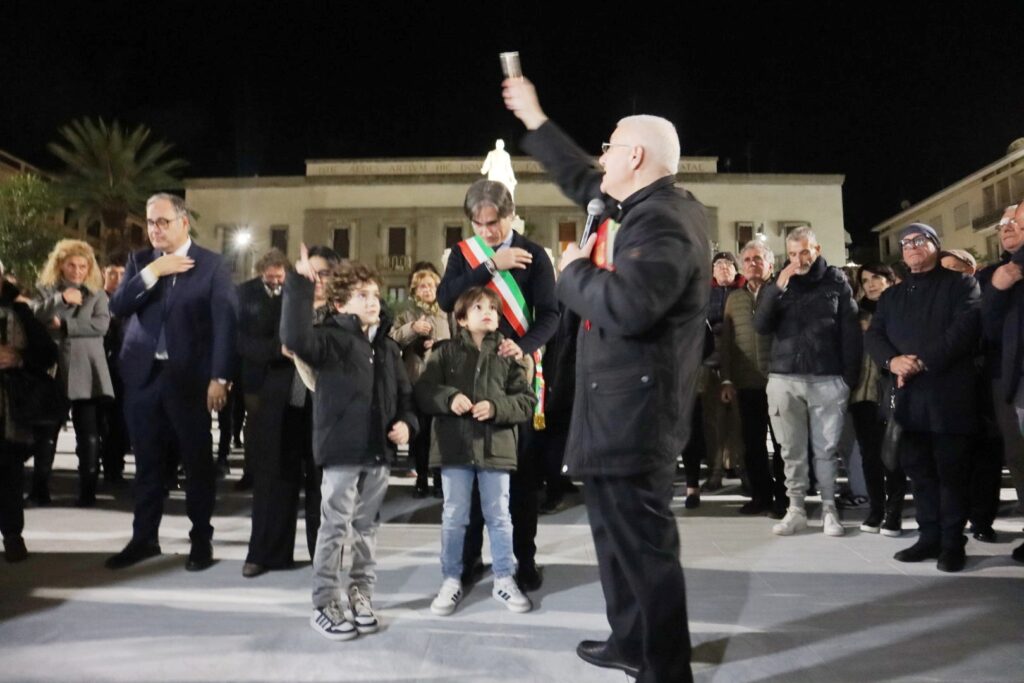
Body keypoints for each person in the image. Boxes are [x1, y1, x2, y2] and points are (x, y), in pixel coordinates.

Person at [504, 77, 707, 683]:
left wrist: (570, 273)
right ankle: (629, 641)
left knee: (644, 552)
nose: (601, 157)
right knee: (615, 544)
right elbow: (579, 178)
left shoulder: (664, 223)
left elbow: (629, 306)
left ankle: (665, 668)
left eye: (611, 146)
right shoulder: (637, 207)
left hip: (635, 419)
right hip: (615, 413)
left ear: (636, 157)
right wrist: (537, 120)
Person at [281, 250, 416, 641]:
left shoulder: (389, 348)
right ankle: (325, 601)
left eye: (374, 294)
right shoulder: (329, 340)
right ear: (339, 303)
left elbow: (405, 397)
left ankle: (361, 593)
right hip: (340, 450)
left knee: (367, 528)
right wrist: (300, 285)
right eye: (361, 295)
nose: (372, 300)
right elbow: (293, 337)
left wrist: (407, 425)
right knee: (334, 526)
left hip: (378, 453)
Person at [105, 193, 238, 571]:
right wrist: (153, 273)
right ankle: (144, 539)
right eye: (150, 223)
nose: (154, 229)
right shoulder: (140, 262)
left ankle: (200, 541)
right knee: (146, 464)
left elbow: (225, 325)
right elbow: (117, 307)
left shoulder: (212, 265)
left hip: (190, 380)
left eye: (162, 221)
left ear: (184, 223)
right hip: (143, 379)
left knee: (197, 463)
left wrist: (220, 377)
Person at [437, 178, 557, 591]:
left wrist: (523, 347)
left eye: (495, 222)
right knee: (470, 475)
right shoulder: (463, 255)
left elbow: (551, 315)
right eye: (479, 223)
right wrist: (491, 265)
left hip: (514, 377)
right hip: (468, 375)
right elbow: (444, 298)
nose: (487, 231)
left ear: (510, 214)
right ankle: (469, 559)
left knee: (521, 478)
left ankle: (524, 560)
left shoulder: (536, 255)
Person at [865, 223, 981, 572]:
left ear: (935, 245)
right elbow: (875, 336)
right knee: (919, 472)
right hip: (907, 398)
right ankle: (928, 537)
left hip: (948, 394)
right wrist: (892, 361)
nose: (912, 246)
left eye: (919, 240)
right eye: (905, 243)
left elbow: (963, 331)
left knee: (951, 473)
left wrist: (918, 362)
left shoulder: (960, 285)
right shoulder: (892, 296)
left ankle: (952, 543)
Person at [416, 286, 536, 615]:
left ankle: (504, 578)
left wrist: (497, 408)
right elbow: (424, 391)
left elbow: (526, 401)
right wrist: (448, 398)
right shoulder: (443, 353)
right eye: (478, 307)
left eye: (493, 309)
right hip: (454, 448)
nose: (487, 312)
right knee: (454, 516)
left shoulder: (509, 355)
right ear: (461, 319)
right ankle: (451, 578)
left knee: (499, 515)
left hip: (495, 449)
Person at [753, 227, 861, 537]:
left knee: (826, 451)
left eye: (804, 252)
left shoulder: (837, 281)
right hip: (784, 377)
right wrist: (777, 289)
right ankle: (795, 508)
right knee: (790, 450)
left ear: (817, 249)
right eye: (792, 254)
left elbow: (850, 331)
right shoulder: (779, 283)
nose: (798, 259)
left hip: (827, 378)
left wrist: (847, 379)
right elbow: (761, 326)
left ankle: (829, 508)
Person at [239, 248, 319, 578]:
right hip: (278, 398)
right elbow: (242, 341)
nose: (316, 280)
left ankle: (325, 557)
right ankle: (266, 553)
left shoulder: (349, 305)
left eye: (321, 274)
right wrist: (278, 348)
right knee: (273, 479)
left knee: (321, 485)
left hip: (322, 406)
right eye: (308, 274)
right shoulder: (274, 301)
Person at [31, 239, 114, 507]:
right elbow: (34, 316)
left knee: (88, 432)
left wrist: (64, 324)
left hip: (87, 370)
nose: (77, 271)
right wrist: (61, 299)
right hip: (53, 369)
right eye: (71, 265)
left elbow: (101, 325)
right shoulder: (46, 291)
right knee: (47, 433)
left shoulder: (98, 293)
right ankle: (39, 489)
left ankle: (88, 491)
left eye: (82, 266)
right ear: (60, 265)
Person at [720, 240, 786, 516]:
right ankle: (761, 495)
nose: (752, 264)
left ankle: (784, 499)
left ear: (770, 264)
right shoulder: (734, 298)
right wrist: (726, 379)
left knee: (784, 445)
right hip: (747, 383)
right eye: (747, 260)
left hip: (781, 380)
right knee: (753, 444)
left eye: (758, 259)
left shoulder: (782, 292)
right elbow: (727, 341)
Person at [0, 260, 59, 561]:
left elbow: (49, 353)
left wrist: (19, 358)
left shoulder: (21, 312)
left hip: (11, 407)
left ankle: (12, 535)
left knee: (9, 472)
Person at [979, 208, 1024, 563]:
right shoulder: (992, 275)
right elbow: (985, 328)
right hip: (1009, 381)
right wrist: (997, 287)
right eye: (1003, 226)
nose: (1007, 229)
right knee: (1019, 458)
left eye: (1015, 223)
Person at [849, 263, 906, 536]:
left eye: (876, 278)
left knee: (892, 454)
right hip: (861, 393)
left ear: (890, 280)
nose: (871, 284)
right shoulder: (853, 313)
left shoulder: (900, 309)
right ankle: (876, 509)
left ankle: (894, 512)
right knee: (869, 455)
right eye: (866, 280)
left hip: (892, 391)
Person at [391, 266, 451, 497]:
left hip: (441, 381)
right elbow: (393, 340)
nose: (428, 290)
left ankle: (438, 480)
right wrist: (412, 330)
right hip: (416, 379)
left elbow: (456, 341)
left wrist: (438, 344)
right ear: (415, 290)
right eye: (423, 286)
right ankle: (421, 479)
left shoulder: (446, 312)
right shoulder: (406, 313)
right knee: (421, 432)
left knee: (439, 433)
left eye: (432, 286)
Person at [100, 259, 128, 483]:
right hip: (99, 367)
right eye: (112, 273)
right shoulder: (96, 299)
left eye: (122, 273)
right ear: (103, 273)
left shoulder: (131, 302)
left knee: (119, 421)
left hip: (122, 370)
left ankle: (114, 466)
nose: (117, 279)